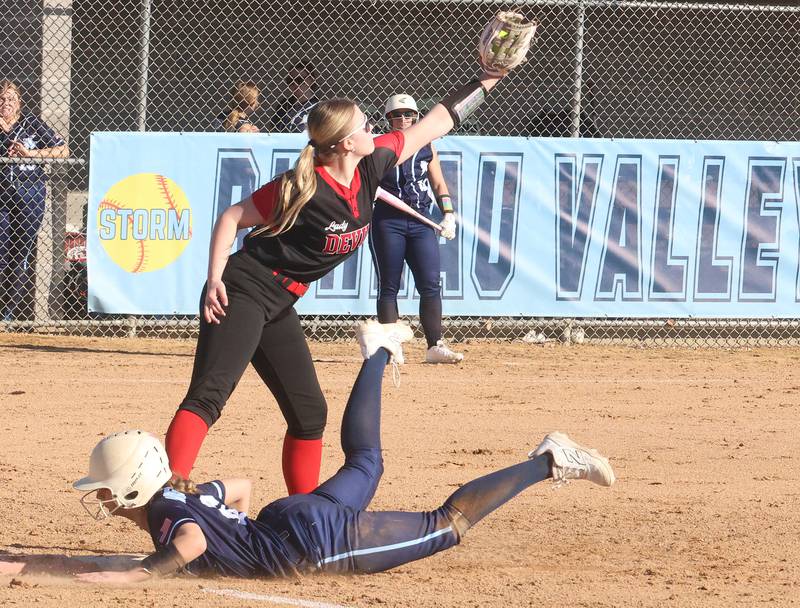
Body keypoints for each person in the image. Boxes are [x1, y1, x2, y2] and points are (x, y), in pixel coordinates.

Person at [163, 45, 519, 496]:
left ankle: (302, 512)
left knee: (310, 414)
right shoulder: (303, 186)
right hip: (244, 289)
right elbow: (233, 216)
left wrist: (489, 76)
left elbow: (437, 121)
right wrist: (215, 278)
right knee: (211, 393)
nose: (373, 128)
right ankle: (168, 493)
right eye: (364, 125)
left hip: (281, 301)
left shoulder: (372, 164)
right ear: (346, 143)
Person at [0, 321, 614, 582]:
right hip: (292, 520)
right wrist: (241, 537)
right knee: (366, 464)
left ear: (134, 486)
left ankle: (549, 459)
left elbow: (188, 544)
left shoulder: (166, 513)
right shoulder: (182, 495)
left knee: (447, 525)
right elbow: (239, 488)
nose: (105, 500)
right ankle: (377, 350)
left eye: (108, 491)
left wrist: (139, 575)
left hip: (313, 543)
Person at [371, 93, 462, 364]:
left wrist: (448, 213)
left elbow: (438, 183)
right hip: (388, 221)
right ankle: (391, 347)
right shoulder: (379, 146)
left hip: (421, 220)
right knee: (389, 285)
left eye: (409, 114)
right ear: (388, 119)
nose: (403, 119)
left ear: (416, 117)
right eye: (396, 115)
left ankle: (435, 345)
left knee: (430, 283)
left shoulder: (426, 146)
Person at [0, 79, 69, 321]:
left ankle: (6, 315)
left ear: (19, 102)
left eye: (11, 98)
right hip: (2, 197)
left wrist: (30, 153)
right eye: (1, 99)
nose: (6, 103)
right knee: (1, 252)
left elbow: (63, 150)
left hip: (31, 196)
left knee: (20, 254)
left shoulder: (31, 123)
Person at [268, 61, 319, 133]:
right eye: (290, 81)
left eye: (299, 80)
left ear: (311, 80)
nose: (295, 84)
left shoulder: (318, 107)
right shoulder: (284, 105)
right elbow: (273, 129)